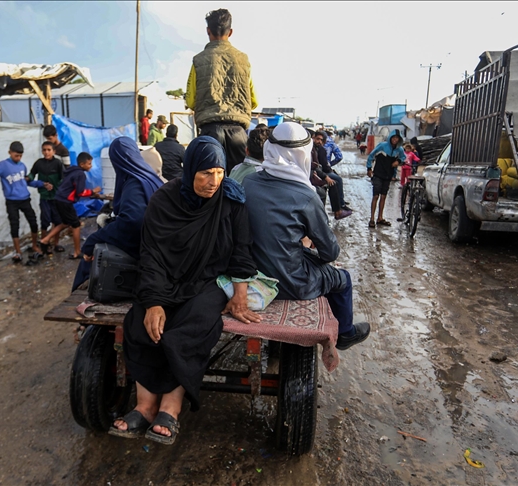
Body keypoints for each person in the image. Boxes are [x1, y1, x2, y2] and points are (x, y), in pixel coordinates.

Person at [111, 136, 260, 445]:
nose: (213, 181)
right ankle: (144, 405)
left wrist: (240, 295)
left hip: (207, 281)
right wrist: (153, 301)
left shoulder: (231, 200)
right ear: (190, 169)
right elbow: (150, 253)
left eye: (219, 172)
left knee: (190, 327)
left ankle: (171, 406)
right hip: (164, 277)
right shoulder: (164, 200)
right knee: (141, 324)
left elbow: (241, 252)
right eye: (205, 173)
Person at [241, 122, 370, 351]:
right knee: (343, 279)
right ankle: (345, 334)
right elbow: (330, 252)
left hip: (251, 274)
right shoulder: (306, 196)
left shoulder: (248, 182)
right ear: (304, 154)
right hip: (291, 283)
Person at [71, 138, 164, 291]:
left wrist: (93, 240)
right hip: (156, 245)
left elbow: (133, 221)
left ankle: (78, 296)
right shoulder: (150, 177)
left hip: (144, 251)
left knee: (90, 259)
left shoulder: (134, 183)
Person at [185, 8, 258, 174]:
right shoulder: (243, 59)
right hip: (238, 133)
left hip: (210, 131)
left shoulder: (198, 60)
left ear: (208, 31)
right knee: (239, 184)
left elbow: (190, 100)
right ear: (230, 32)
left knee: (210, 185)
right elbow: (254, 100)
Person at [0, 141, 43, 263]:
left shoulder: (22, 166)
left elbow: (25, 182)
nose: (18, 158)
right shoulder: (3, 166)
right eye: (16, 155)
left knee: (33, 222)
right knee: (15, 225)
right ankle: (18, 251)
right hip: (12, 201)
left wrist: (41, 184)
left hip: (25, 199)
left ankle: (34, 245)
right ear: (10, 153)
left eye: (20, 156)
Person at [40, 152, 100, 259]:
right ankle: (77, 252)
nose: (91, 166)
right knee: (76, 225)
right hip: (65, 201)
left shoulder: (72, 171)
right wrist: (92, 192)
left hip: (59, 198)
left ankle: (45, 239)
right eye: (89, 164)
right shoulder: (80, 174)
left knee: (65, 223)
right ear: (82, 164)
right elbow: (80, 192)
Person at [28, 141, 66, 254]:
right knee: (44, 221)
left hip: (56, 197)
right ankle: (45, 244)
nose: (46, 152)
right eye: (44, 150)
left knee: (57, 221)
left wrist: (55, 186)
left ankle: (56, 244)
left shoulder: (58, 164)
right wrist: (28, 178)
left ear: (54, 151)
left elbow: (64, 179)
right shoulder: (39, 163)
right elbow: (31, 174)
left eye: (49, 150)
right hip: (44, 197)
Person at [366, 129, 405, 228]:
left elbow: (404, 158)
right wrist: (369, 168)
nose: (395, 140)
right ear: (390, 137)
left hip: (388, 175)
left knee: (383, 196)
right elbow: (371, 155)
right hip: (378, 174)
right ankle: (372, 219)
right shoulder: (382, 146)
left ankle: (380, 218)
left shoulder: (399, 150)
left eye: (397, 138)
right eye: (394, 138)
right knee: (375, 196)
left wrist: (398, 161)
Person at [313, 131, 352, 220]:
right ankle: (340, 207)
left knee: (334, 182)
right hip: (316, 172)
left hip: (318, 171)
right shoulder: (317, 149)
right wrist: (327, 171)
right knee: (336, 180)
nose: (319, 141)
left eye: (321, 140)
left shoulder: (317, 148)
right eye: (317, 139)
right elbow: (318, 165)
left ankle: (338, 210)